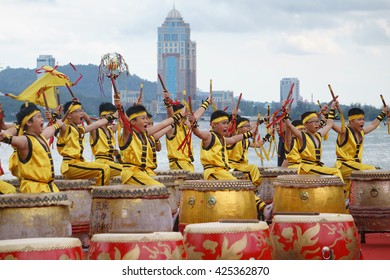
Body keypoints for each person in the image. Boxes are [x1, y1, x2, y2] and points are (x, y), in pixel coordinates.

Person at [114, 100, 187, 186]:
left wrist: (180, 115)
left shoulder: (145, 134)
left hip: (142, 171)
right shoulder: (128, 135)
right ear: (133, 122)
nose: (146, 121)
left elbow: (163, 124)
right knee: (159, 188)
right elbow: (126, 122)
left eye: (146, 118)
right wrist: (120, 109)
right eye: (143, 118)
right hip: (131, 173)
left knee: (161, 187)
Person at [0, 103, 64, 193]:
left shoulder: (41, 136)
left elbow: (51, 129)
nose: (42, 119)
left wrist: (56, 121)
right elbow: (9, 136)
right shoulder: (24, 139)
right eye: (39, 117)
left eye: (41, 116)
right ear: (28, 122)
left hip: (47, 187)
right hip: (33, 187)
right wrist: (4, 137)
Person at [332, 104, 388, 199]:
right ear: (351, 121)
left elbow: (373, 124)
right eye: (359, 119)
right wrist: (330, 111)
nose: (362, 122)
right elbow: (331, 125)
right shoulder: (344, 132)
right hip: (344, 166)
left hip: (355, 167)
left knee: (346, 194)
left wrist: (383, 113)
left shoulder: (361, 132)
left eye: (363, 119)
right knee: (373, 170)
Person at [56, 99, 111, 186]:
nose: (81, 113)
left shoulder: (80, 130)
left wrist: (116, 115)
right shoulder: (66, 128)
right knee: (104, 169)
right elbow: (60, 124)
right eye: (78, 111)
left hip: (78, 163)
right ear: (69, 115)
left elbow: (97, 123)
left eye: (82, 110)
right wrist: (57, 115)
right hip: (70, 166)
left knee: (104, 169)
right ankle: (99, 197)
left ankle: (99, 193)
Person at [284, 101, 343, 180]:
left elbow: (329, 123)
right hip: (306, 168)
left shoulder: (319, 135)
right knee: (335, 172)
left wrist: (332, 108)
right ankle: (342, 192)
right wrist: (285, 113)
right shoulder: (302, 136)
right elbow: (289, 125)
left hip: (315, 167)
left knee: (334, 171)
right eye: (313, 122)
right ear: (305, 124)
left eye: (317, 121)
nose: (317, 124)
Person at [163, 90, 211, 172]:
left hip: (187, 164)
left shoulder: (186, 126)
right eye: (183, 116)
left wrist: (207, 102)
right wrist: (168, 102)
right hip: (178, 165)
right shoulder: (172, 127)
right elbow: (171, 116)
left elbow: (197, 115)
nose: (186, 118)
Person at [227, 117, 265, 186]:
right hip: (232, 165)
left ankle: (253, 188)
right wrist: (234, 116)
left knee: (253, 168)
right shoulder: (234, 138)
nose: (248, 128)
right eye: (246, 126)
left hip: (242, 165)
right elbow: (230, 128)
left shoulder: (246, 140)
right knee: (253, 168)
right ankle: (254, 187)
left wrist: (268, 136)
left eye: (249, 126)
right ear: (239, 128)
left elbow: (258, 145)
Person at [88, 102, 122, 178]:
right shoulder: (95, 129)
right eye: (110, 114)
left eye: (113, 114)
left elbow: (125, 121)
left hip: (110, 163)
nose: (113, 117)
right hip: (101, 162)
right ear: (101, 115)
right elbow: (89, 121)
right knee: (127, 171)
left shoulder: (110, 130)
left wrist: (136, 105)